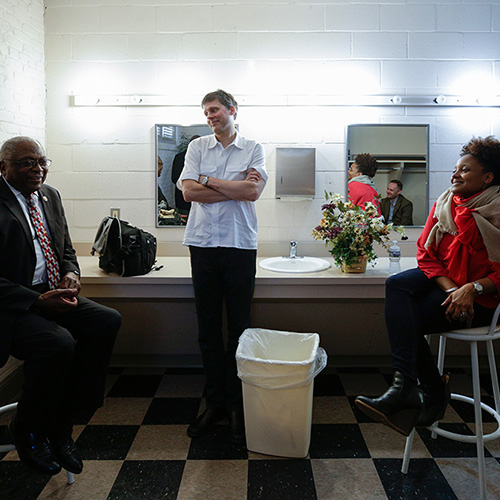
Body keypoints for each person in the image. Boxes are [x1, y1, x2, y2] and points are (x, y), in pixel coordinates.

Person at [355, 136, 500, 436]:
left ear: (488, 177)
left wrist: (471, 289)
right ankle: (410, 387)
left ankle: (426, 391)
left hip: (483, 300)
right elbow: (426, 255)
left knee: (408, 320)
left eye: (465, 170)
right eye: (455, 169)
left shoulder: (496, 210)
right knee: (396, 285)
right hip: (448, 285)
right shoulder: (445, 203)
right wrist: (453, 290)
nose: (455, 175)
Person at [0, 137, 121, 475]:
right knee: (58, 343)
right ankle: (25, 427)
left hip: (51, 292)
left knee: (106, 320)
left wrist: (70, 272)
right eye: (26, 163)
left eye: (41, 162)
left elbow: (65, 245)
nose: (37, 170)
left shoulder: (49, 195)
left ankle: (62, 422)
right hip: (14, 305)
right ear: (3, 167)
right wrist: (35, 299)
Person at [177, 90, 267, 444]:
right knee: (208, 329)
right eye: (205, 112)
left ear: (232, 110)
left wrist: (208, 180)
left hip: (240, 246)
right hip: (202, 245)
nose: (209, 116)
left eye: (214, 110)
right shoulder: (197, 147)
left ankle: (237, 404)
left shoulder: (253, 148)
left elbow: (252, 193)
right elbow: (187, 193)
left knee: (240, 328)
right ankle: (215, 402)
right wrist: (234, 187)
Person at [171, 135, 200, 216]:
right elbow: (175, 178)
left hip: (201, 201)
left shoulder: (205, 158)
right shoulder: (180, 157)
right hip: (183, 201)